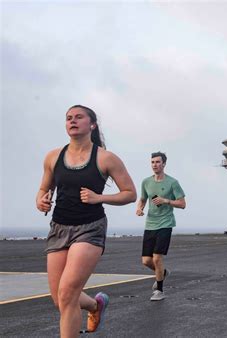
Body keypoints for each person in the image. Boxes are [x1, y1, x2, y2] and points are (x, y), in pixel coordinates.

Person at [36, 105, 137, 337]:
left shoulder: (105, 158)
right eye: (68, 118)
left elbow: (130, 193)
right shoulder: (53, 156)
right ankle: (95, 305)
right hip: (59, 227)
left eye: (78, 117)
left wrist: (98, 198)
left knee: (67, 294)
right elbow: (43, 188)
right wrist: (41, 200)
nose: (72, 121)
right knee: (58, 298)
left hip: (90, 228)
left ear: (91, 125)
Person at [136, 152, 186, 301]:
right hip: (150, 224)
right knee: (146, 261)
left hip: (166, 223)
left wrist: (166, 201)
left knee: (157, 258)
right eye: (152, 162)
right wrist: (140, 208)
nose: (155, 165)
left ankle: (159, 290)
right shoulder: (146, 182)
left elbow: (182, 204)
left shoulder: (172, 182)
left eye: (158, 162)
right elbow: (143, 199)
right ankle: (162, 273)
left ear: (164, 164)